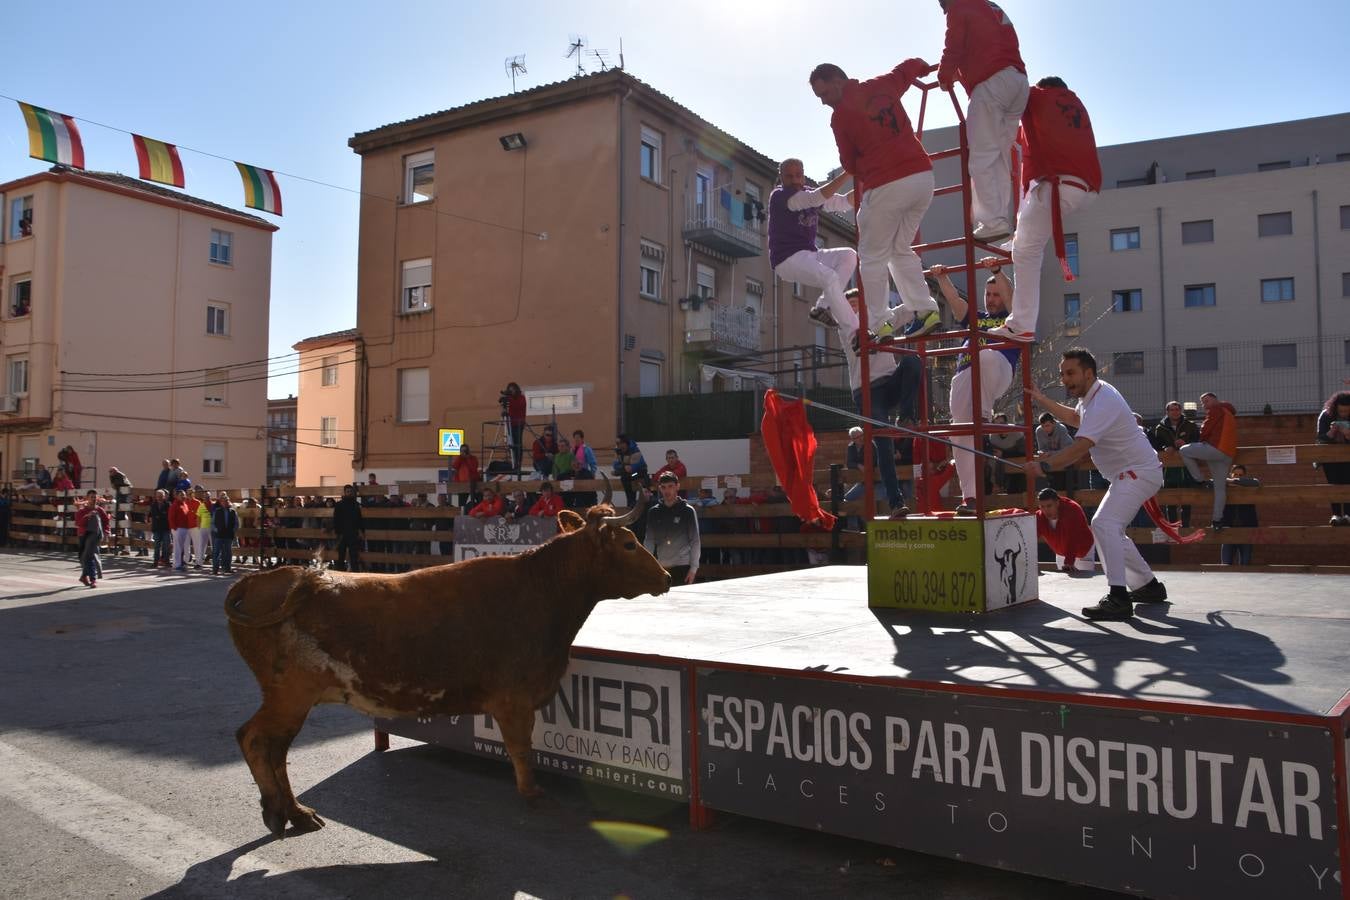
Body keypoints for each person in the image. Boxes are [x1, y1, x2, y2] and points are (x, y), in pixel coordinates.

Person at [1023, 348, 1168, 621]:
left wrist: (1044, 465)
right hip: (1132, 473)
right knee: (1111, 530)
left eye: (1070, 373)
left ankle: (1118, 598)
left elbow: (1080, 448)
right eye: (1062, 374)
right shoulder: (1094, 396)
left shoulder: (1102, 402)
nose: (1064, 380)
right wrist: (1043, 400)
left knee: (1104, 525)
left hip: (1136, 472)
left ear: (1088, 373)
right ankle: (1148, 587)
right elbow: (1076, 420)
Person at [809, 59, 940, 341]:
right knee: (899, 248)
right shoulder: (883, 85)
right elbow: (906, 69)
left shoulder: (841, 115)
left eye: (825, 94)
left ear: (838, 82)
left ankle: (880, 323)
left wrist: (869, 166)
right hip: (921, 177)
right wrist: (927, 67)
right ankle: (925, 309)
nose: (823, 102)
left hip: (886, 185)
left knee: (871, 257)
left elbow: (850, 163)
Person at [989, 76, 1100, 341]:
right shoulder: (1075, 104)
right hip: (1087, 187)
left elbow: (1009, 92)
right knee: (1031, 223)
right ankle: (1018, 238)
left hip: (1058, 183)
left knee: (1028, 251)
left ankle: (1021, 324)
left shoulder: (1037, 96)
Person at [929, 261, 1021, 514]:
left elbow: (1012, 295)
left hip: (998, 368)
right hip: (965, 374)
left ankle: (983, 414)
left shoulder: (1012, 317)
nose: (991, 299)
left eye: (996, 295)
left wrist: (996, 272)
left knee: (985, 354)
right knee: (958, 430)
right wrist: (942, 276)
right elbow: (954, 300)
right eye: (988, 295)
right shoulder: (976, 318)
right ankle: (969, 497)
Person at [936, 0, 1028, 243]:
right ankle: (998, 219)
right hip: (1017, 80)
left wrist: (945, 74)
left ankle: (992, 221)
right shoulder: (989, 6)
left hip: (991, 85)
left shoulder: (958, 6)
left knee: (981, 156)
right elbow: (986, 42)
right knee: (998, 155)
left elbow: (953, 44)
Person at [840, 288, 922, 517]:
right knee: (884, 442)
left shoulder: (879, 317)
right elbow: (859, 331)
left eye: (857, 304)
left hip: (888, 384)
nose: (853, 310)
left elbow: (910, 309)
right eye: (849, 306)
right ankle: (896, 503)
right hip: (866, 391)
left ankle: (906, 416)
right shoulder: (846, 326)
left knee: (913, 361)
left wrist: (921, 286)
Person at [768, 158, 861, 345]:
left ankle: (822, 308)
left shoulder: (809, 192)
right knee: (829, 277)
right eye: (789, 176)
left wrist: (866, 185)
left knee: (849, 255)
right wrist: (848, 173)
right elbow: (815, 198)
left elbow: (843, 203)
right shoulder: (780, 196)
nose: (795, 180)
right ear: (781, 178)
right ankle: (855, 331)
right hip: (786, 260)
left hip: (809, 253)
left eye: (798, 175)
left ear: (803, 175)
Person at [1179, 391, 1238, 530]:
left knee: (1184, 450)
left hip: (1215, 449)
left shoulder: (1216, 409)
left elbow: (1205, 429)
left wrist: (1200, 436)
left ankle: (1199, 480)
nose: (1204, 405)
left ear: (1215, 399)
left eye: (1206, 401)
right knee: (1219, 489)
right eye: (1203, 402)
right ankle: (1217, 521)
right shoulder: (1228, 412)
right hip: (1228, 454)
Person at [643, 472, 700, 585]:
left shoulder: (688, 511)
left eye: (670, 486)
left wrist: (693, 569)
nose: (667, 491)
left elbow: (695, 541)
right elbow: (649, 540)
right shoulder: (653, 512)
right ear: (659, 488)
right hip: (662, 567)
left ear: (677, 486)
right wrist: (646, 566)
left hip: (683, 566)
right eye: (663, 487)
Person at [1034, 487, 1096, 573]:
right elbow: (1032, 539)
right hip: (1061, 553)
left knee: (1085, 584)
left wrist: (1069, 562)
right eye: (1042, 506)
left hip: (1082, 551)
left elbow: (1073, 538)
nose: (1045, 510)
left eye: (1049, 506)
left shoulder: (1072, 509)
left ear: (1057, 502)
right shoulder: (1039, 516)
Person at [1316, 391, 1350, 526]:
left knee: (1348, 484)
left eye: (1347, 411)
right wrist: (1332, 432)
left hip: (1348, 458)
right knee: (1334, 485)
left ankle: (1348, 515)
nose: (1344, 414)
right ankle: (1336, 514)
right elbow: (1320, 438)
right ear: (1335, 408)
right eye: (1341, 411)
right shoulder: (1326, 416)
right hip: (1330, 458)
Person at [1219, 464, 1260, 565]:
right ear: (1230, 474)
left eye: (1240, 475)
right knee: (1226, 564)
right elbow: (1213, 482)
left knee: (1246, 565)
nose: (1237, 477)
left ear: (1244, 476)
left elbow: (1256, 482)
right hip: (1228, 530)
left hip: (1246, 530)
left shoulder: (1248, 487)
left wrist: (1233, 481)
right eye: (1235, 474)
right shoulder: (1224, 487)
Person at [74, 490, 110, 587]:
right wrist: (87, 516)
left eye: (95, 497)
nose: (93, 499)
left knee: (89, 556)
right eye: (91, 497)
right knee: (84, 557)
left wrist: (106, 533)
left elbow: (106, 522)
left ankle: (93, 579)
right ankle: (83, 576)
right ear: (87, 498)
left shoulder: (99, 510)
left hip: (94, 536)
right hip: (83, 535)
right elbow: (78, 523)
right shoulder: (82, 511)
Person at [332, 484, 365, 571]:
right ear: (345, 492)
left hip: (353, 533)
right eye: (348, 492)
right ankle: (340, 573)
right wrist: (338, 533)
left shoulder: (355, 505)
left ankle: (355, 573)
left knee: (354, 556)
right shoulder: (339, 505)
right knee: (341, 556)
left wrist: (361, 531)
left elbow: (359, 519)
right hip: (342, 534)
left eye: (351, 492)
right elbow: (336, 519)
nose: (349, 493)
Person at [612, 434, 648, 506]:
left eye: (620, 443)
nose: (619, 446)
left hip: (639, 473)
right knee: (624, 477)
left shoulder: (634, 450)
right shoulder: (618, 451)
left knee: (629, 476)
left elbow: (632, 468)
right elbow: (615, 465)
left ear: (625, 443)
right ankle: (631, 503)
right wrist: (623, 468)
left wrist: (621, 469)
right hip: (627, 474)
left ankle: (632, 502)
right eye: (617, 443)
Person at [211, 492, 240, 575]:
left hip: (228, 535)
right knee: (216, 552)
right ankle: (215, 569)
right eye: (223, 501)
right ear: (221, 502)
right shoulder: (217, 511)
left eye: (227, 501)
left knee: (228, 552)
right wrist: (216, 530)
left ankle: (227, 568)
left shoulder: (233, 512)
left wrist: (233, 530)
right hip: (219, 535)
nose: (225, 502)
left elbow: (236, 523)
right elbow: (212, 523)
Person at [168, 488, 194, 572]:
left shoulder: (185, 504)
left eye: (184, 495)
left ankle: (180, 562)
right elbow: (171, 518)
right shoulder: (174, 505)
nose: (183, 496)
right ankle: (176, 564)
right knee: (177, 547)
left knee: (182, 547)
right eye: (181, 495)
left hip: (185, 528)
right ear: (177, 496)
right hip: (178, 529)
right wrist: (174, 528)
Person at [502, 382, 526, 471]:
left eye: (512, 389)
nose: (511, 391)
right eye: (510, 390)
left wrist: (509, 399)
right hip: (510, 424)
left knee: (518, 443)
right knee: (510, 443)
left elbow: (518, 406)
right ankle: (511, 462)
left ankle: (518, 463)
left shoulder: (521, 398)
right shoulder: (509, 398)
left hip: (518, 424)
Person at [149, 489, 172, 567]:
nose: (159, 498)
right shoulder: (153, 505)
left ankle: (166, 561)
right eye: (158, 496)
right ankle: (155, 562)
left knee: (166, 546)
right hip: (156, 528)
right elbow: (151, 516)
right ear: (156, 496)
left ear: (164, 496)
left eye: (161, 496)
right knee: (156, 546)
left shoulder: (168, 504)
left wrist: (159, 516)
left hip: (166, 528)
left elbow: (168, 516)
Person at [191, 486, 213, 569]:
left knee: (214, 546)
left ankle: (216, 563)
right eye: (205, 497)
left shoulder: (213, 505)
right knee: (201, 546)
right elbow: (198, 517)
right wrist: (198, 527)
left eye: (208, 497)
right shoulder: (201, 506)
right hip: (203, 528)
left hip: (212, 528)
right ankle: (199, 563)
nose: (206, 498)